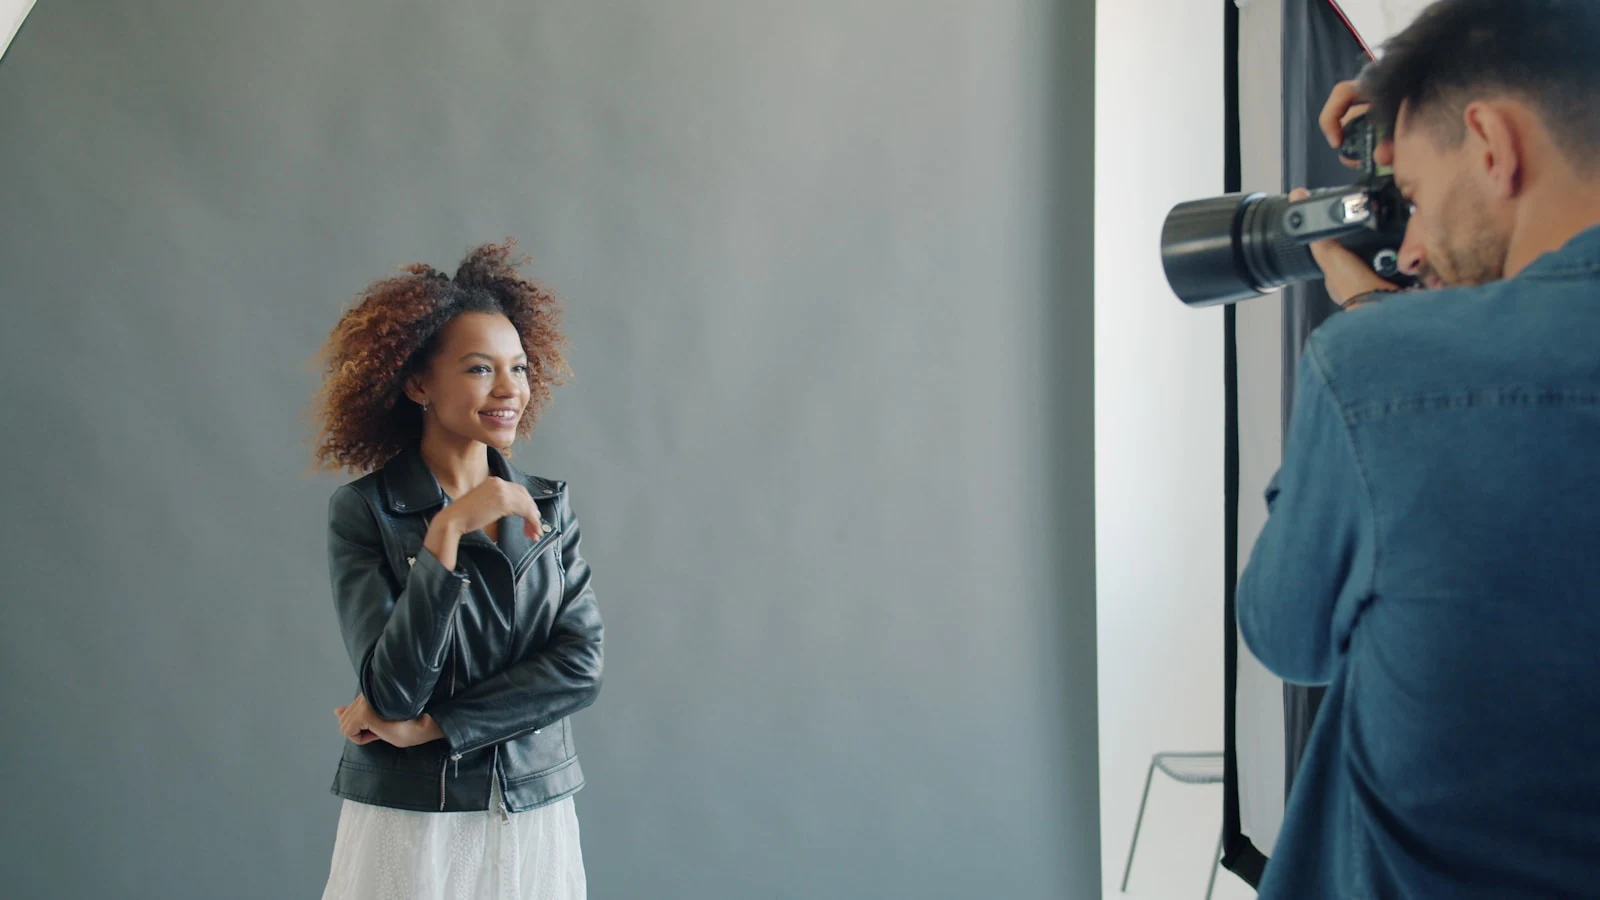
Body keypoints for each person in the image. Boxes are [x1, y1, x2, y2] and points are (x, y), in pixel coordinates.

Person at [1235, 1, 1600, 896]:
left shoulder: (1379, 375)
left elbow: (1286, 635)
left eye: (1420, 201)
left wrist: (1371, 333)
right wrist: (1430, 82)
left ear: (1491, 143)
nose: (1412, 249)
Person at [310, 241, 602, 899]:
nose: (510, 390)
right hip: (416, 817)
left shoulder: (549, 507)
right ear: (418, 384)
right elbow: (392, 694)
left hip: (533, 806)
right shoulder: (365, 512)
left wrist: (437, 727)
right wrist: (444, 533)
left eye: (520, 368)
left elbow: (580, 667)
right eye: (479, 369)